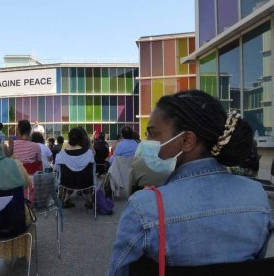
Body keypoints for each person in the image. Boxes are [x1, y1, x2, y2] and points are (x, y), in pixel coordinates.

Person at [109, 90, 272, 276]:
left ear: (187, 141)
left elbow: (118, 271)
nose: (147, 142)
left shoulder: (144, 208)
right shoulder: (257, 197)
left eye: (153, 135)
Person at [54, 127, 96, 209]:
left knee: (71, 176)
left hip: (66, 183)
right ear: (82, 139)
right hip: (86, 183)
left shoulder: (61, 155)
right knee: (82, 176)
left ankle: (65, 199)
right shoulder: (90, 154)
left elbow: (56, 170)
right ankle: (90, 200)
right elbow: (93, 171)